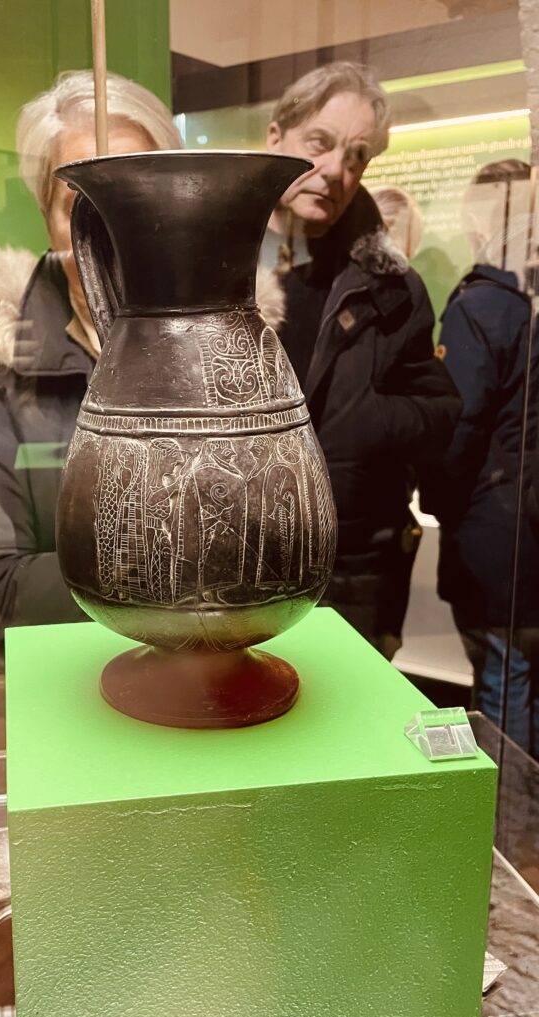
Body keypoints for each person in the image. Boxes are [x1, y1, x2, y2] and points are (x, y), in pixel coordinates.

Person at [0, 71, 182, 661]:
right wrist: (175, 578)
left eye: (137, 200)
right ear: (46, 215)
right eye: (80, 207)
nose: (109, 233)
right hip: (64, 679)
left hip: (207, 676)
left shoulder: (228, 348)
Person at [258, 62, 461, 659]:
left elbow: (438, 409)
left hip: (353, 566)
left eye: (357, 156)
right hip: (230, 552)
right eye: (319, 142)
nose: (335, 171)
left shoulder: (391, 285)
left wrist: (361, 423)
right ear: (276, 137)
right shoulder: (214, 262)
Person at [422, 160, 539, 756]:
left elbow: (459, 423)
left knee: (501, 682)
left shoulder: (480, 306)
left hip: (494, 526)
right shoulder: (524, 305)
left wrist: (436, 499)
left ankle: (503, 808)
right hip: (522, 520)